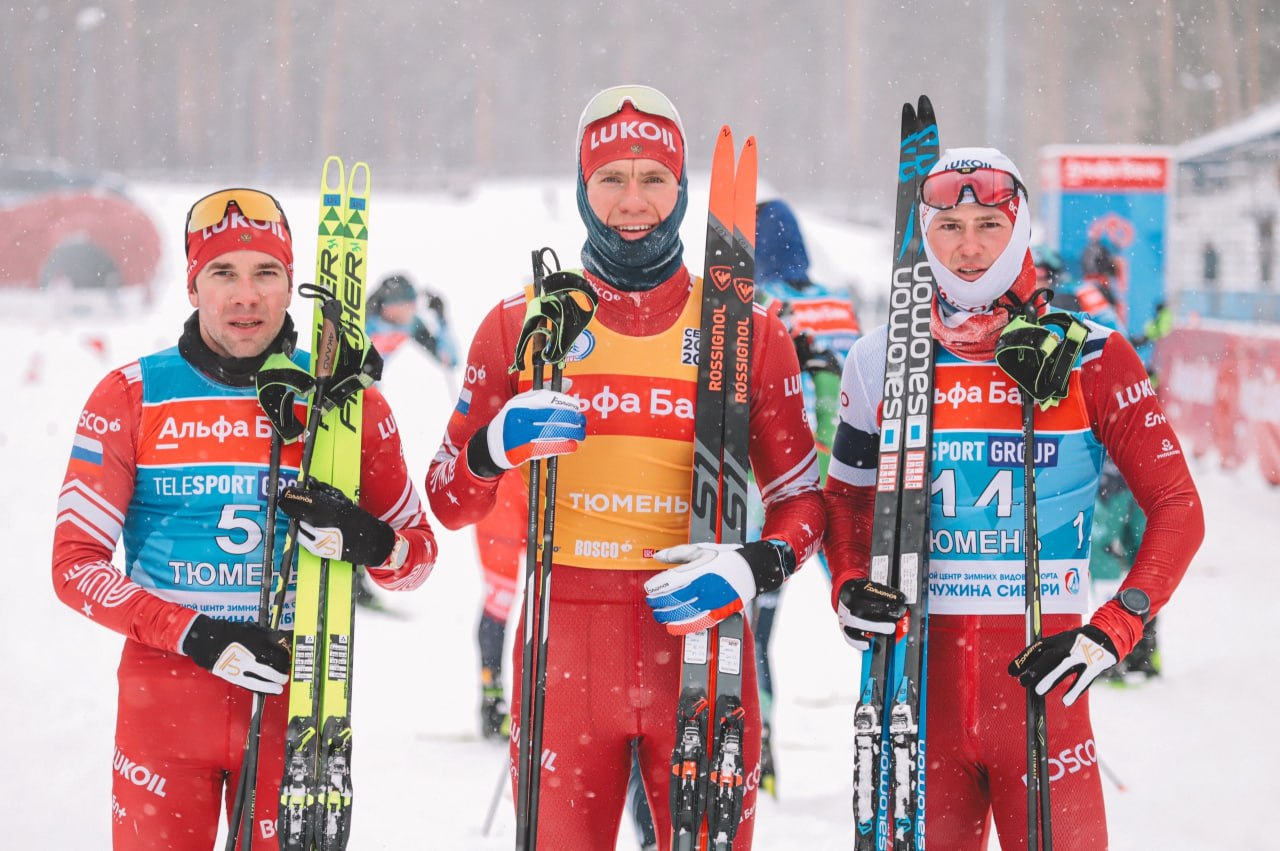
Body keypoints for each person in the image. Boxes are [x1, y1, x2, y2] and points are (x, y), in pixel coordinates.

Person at [425, 85, 825, 848]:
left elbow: (803, 502)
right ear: (581, 188)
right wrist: (491, 448)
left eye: (654, 179)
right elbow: (447, 501)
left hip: (704, 640)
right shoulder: (522, 324)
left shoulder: (747, 332)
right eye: (611, 178)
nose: (632, 200)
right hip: (562, 645)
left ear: (681, 191)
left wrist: (754, 566)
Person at [824, 148, 1203, 849]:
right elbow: (843, 503)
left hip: (1044, 704)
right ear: (922, 237)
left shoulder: (1093, 354)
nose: (968, 246)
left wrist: (1116, 625)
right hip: (915, 704)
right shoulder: (879, 359)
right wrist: (848, 584)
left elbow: (1178, 503)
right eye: (949, 226)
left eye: (989, 224)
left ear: (1021, 227)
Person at [52, 187, 439, 851]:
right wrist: (195, 633)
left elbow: (420, 556)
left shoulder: (346, 407)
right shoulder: (131, 395)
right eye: (222, 272)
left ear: (292, 284)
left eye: (267, 272)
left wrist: (372, 542)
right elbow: (75, 567)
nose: (246, 296)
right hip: (164, 705)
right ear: (192, 284)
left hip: (299, 703)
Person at [749, 197, 861, 796]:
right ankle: (901, 732)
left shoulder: (763, 306)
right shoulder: (840, 304)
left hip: (785, 491)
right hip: (849, 483)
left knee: (756, 632)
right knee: (868, 616)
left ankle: (758, 751)